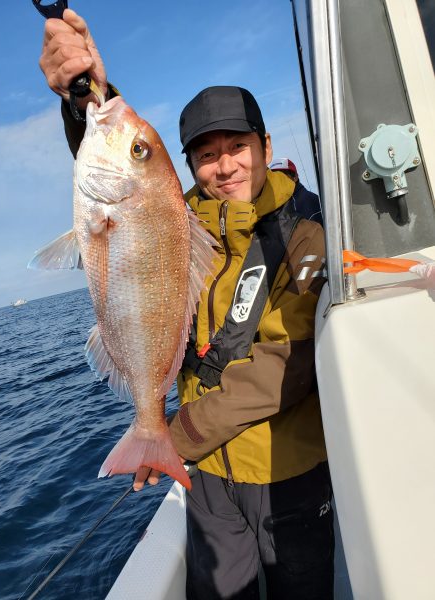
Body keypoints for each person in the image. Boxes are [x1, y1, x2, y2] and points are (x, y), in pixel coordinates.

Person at [39, 10, 334, 599]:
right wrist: (86, 95)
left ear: (265, 145)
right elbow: (122, 175)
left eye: (237, 147)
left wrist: (174, 434)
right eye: (204, 155)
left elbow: (289, 364)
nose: (223, 166)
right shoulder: (181, 213)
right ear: (188, 166)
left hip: (289, 471)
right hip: (207, 474)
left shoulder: (307, 229)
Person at [269, 158, 323, 226]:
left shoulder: (308, 200)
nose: (278, 180)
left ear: (295, 177)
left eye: (283, 176)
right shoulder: (273, 205)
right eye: (274, 177)